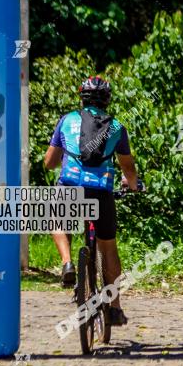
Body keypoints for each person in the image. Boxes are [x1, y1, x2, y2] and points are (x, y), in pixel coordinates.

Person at [43, 76, 139, 326]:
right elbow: (128, 166)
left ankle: (67, 264)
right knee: (108, 248)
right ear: (108, 100)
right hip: (101, 192)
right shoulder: (117, 127)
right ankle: (115, 308)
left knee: (56, 218)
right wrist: (133, 184)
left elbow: (50, 162)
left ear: (82, 98)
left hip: (71, 186)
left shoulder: (67, 121)